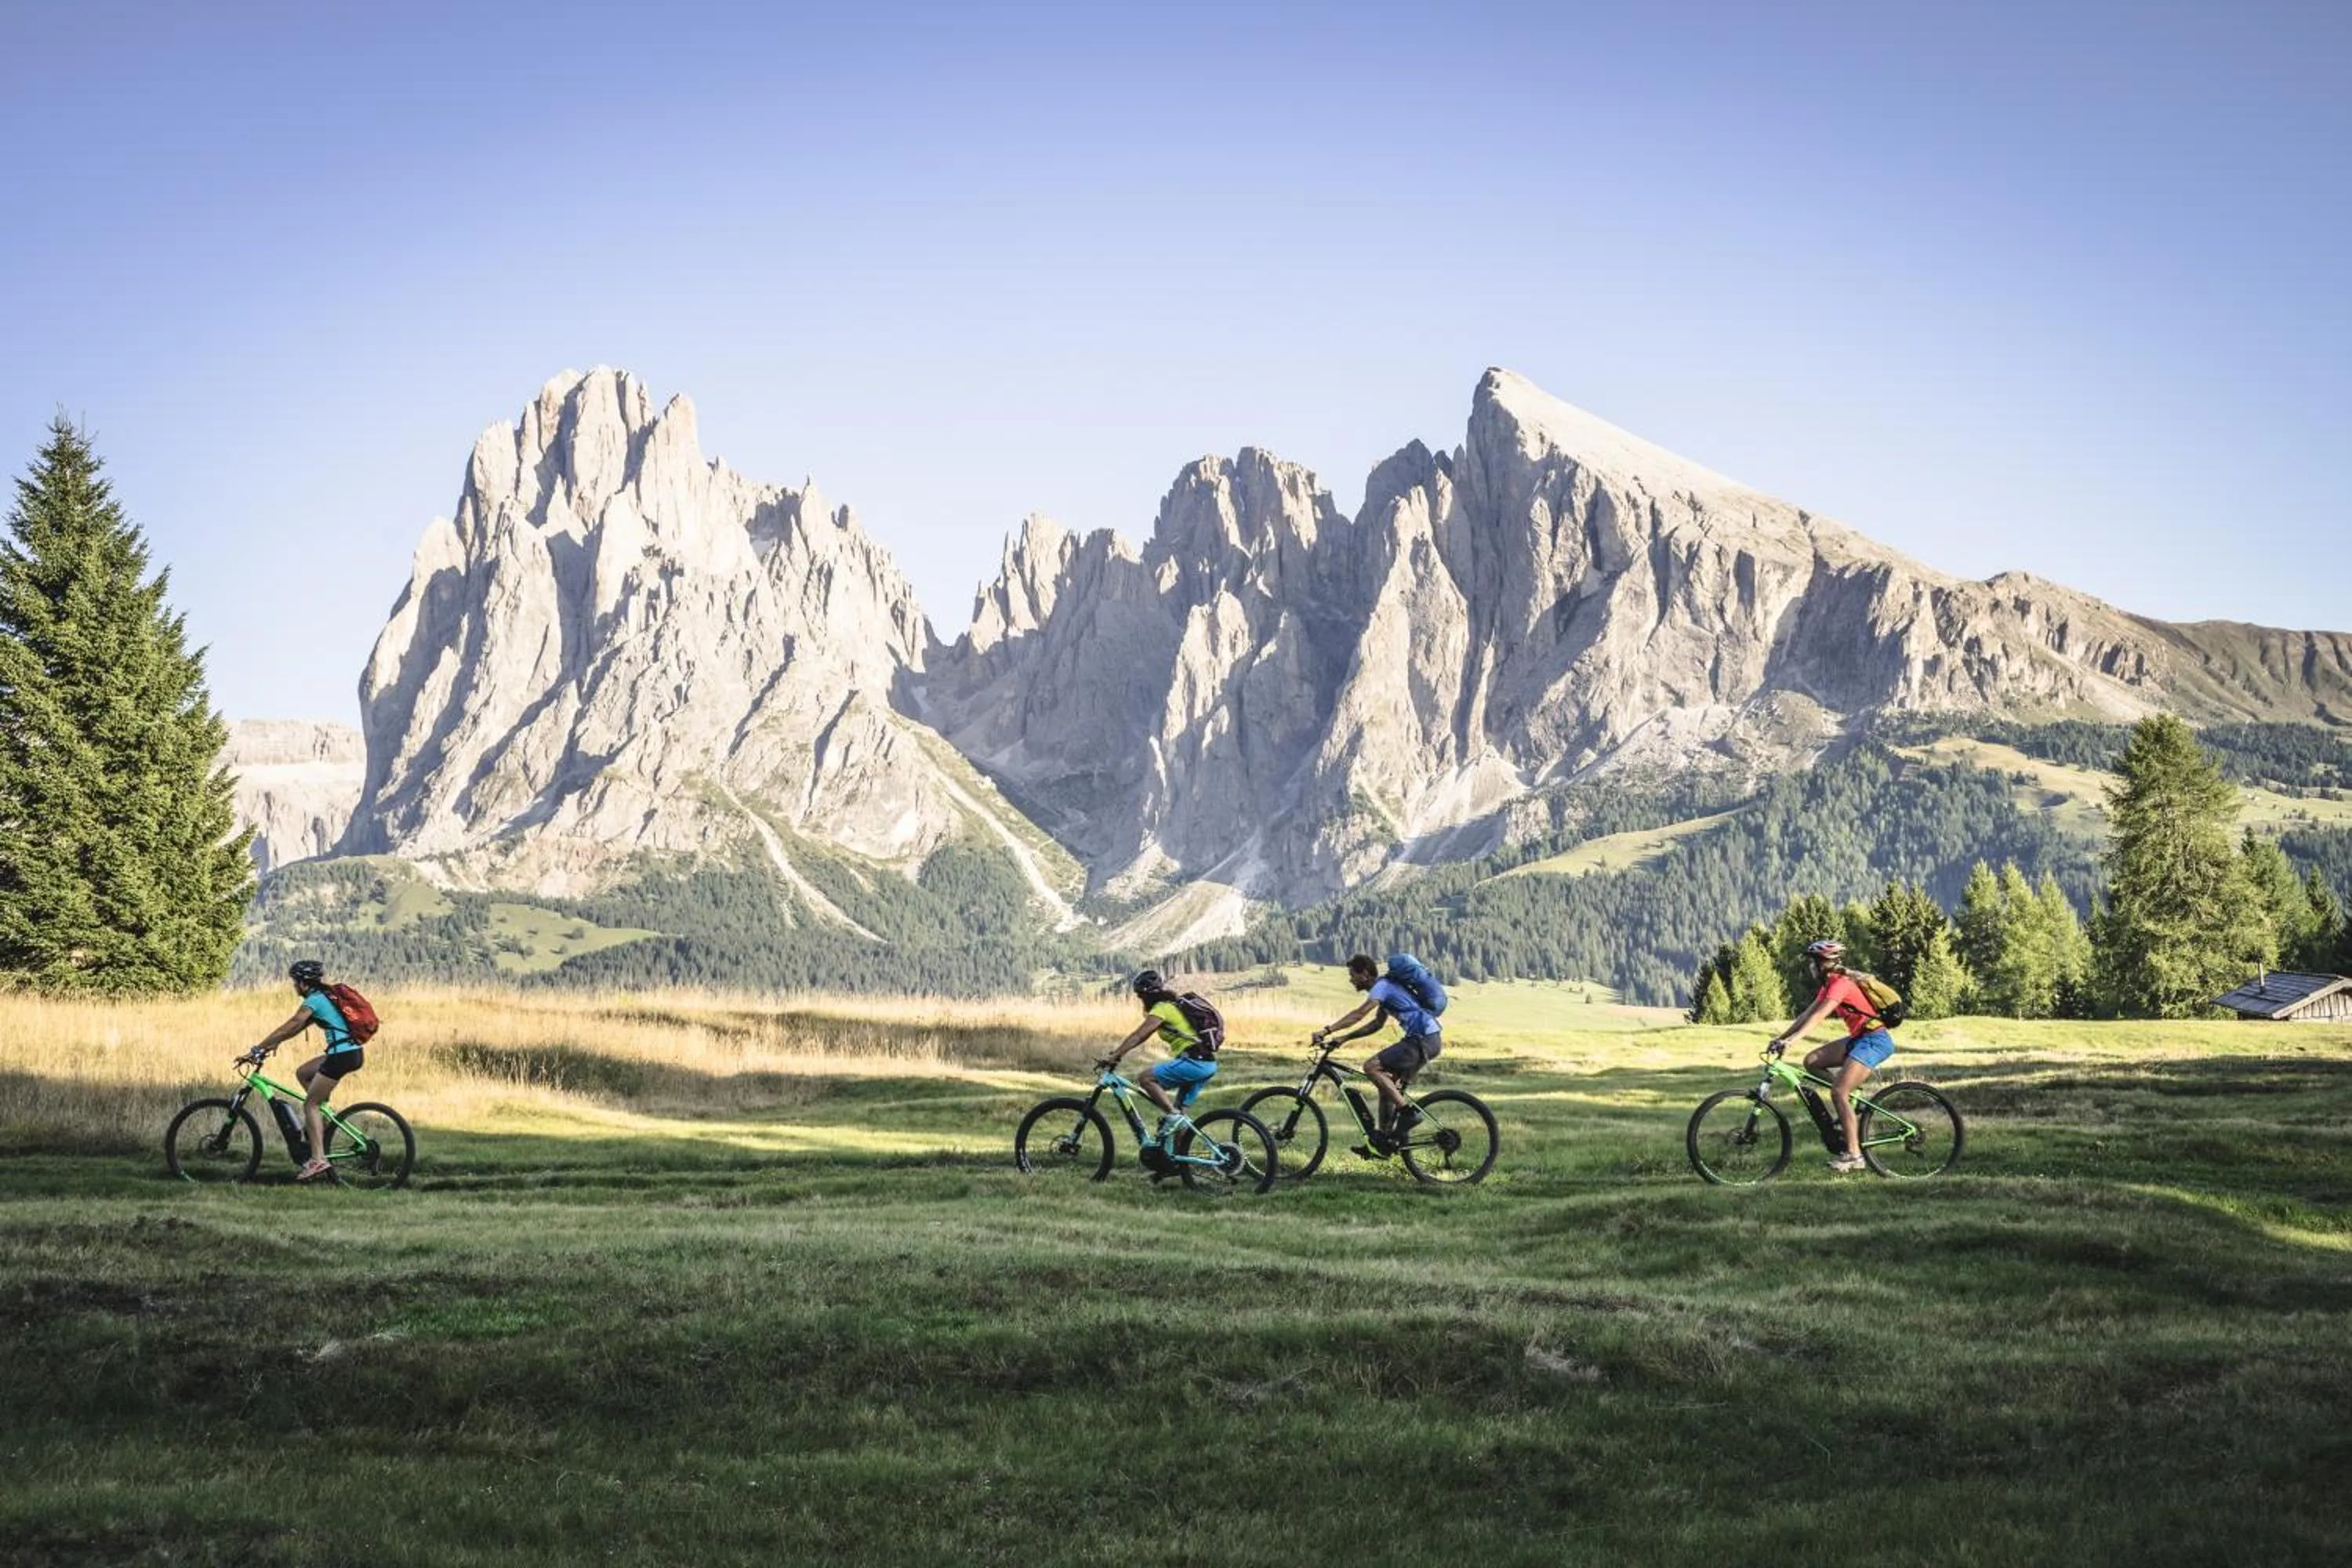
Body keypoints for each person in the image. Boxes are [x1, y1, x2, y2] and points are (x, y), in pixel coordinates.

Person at [1769, 938, 1895, 1173]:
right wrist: (1782, 1037)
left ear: (1823, 964)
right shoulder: (1829, 985)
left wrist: (1792, 1042)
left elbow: (1819, 1017)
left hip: (1874, 1040)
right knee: (1812, 1062)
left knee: (1838, 1092)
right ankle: (1851, 1096)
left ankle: (1855, 1156)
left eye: (1813, 963)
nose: (1811, 968)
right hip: (1859, 1039)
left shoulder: (1840, 984)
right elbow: (1807, 1014)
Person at [243, 959, 365, 1182]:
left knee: (310, 1104)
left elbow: (291, 1023)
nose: (293, 986)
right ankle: (324, 1120)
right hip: (349, 1052)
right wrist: (273, 1044)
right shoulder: (323, 998)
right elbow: (298, 1028)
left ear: (304, 984)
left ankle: (318, 1159)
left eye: (295, 982)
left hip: (341, 1055)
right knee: (303, 1073)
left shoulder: (315, 1000)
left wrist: (258, 1048)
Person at [1312, 953, 1443, 1159]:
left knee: (1371, 1067)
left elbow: (1359, 1014)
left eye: (1352, 974)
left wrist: (1327, 1030)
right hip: (1428, 1039)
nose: (1350, 979)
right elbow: (1376, 1024)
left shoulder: (1381, 987)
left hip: (1422, 1039)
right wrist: (1344, 1038)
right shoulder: (1386, 989)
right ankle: (1382, 1143)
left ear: (1364, 974)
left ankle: (1408, 1114)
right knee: (1387, 1085)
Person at [1097, 970, 1218, 1156]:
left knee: (1146, 1079)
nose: (1140, 1000)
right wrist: (1119, 1053)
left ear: (1147, 994)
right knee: (1181, 1118)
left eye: (1140, 996)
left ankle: (1171, 1116)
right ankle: (1176, 1163)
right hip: (1205, 1063)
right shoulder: (1170, 1006)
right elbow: (1143, 1036)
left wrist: (1116, 1055)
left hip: (1195, 1060)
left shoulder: (1162, 1008)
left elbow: (1140, 1034)